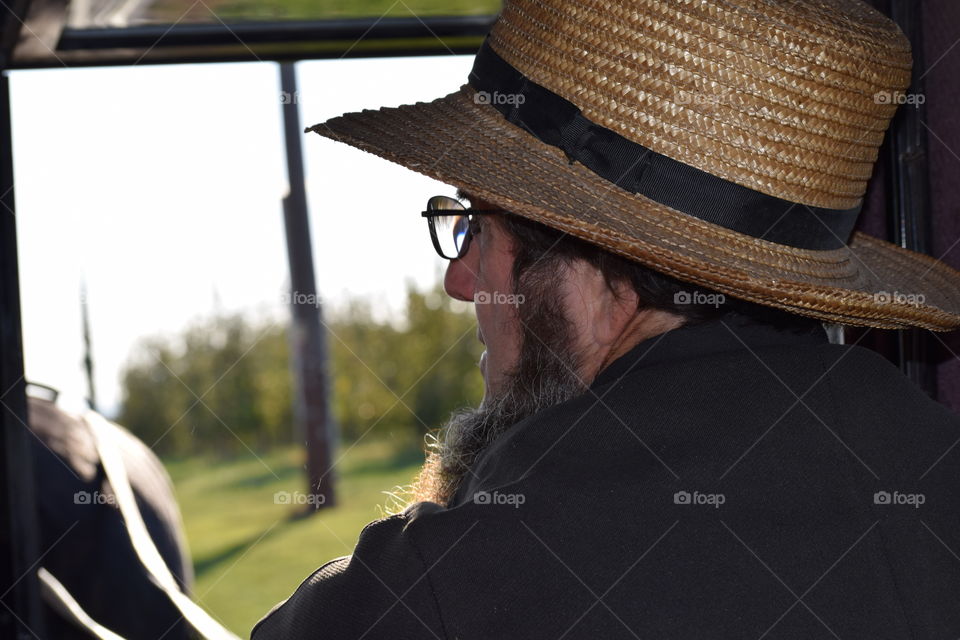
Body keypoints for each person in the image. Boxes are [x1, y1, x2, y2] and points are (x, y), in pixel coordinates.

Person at [253, 0, 960, 637]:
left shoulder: (458, 574)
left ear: (586, 257)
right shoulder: (933, 458)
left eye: (475, 226)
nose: (458, 280)